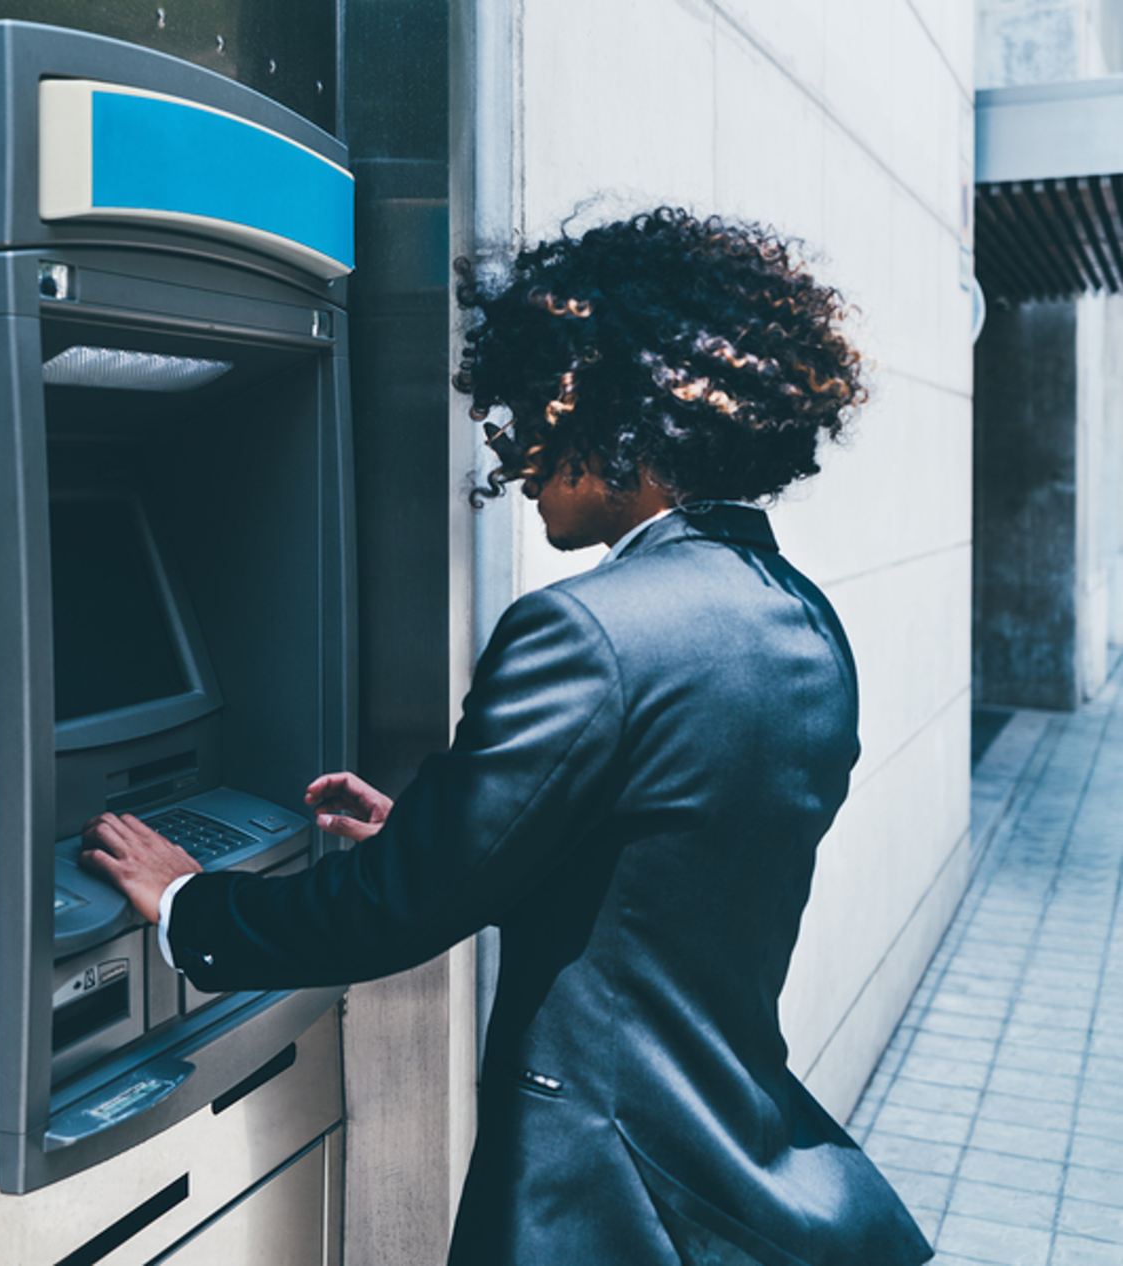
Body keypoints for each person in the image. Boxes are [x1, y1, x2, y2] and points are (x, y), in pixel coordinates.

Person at [79, 208, 933, 1265]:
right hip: (723, 1148)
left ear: (611, 409)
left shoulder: (585, 630)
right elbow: (663, 870)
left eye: (528, 408)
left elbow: (392, 918)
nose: (512, 451)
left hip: (600, 1192)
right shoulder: (795, 619)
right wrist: (450, 833)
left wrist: (188, 901)